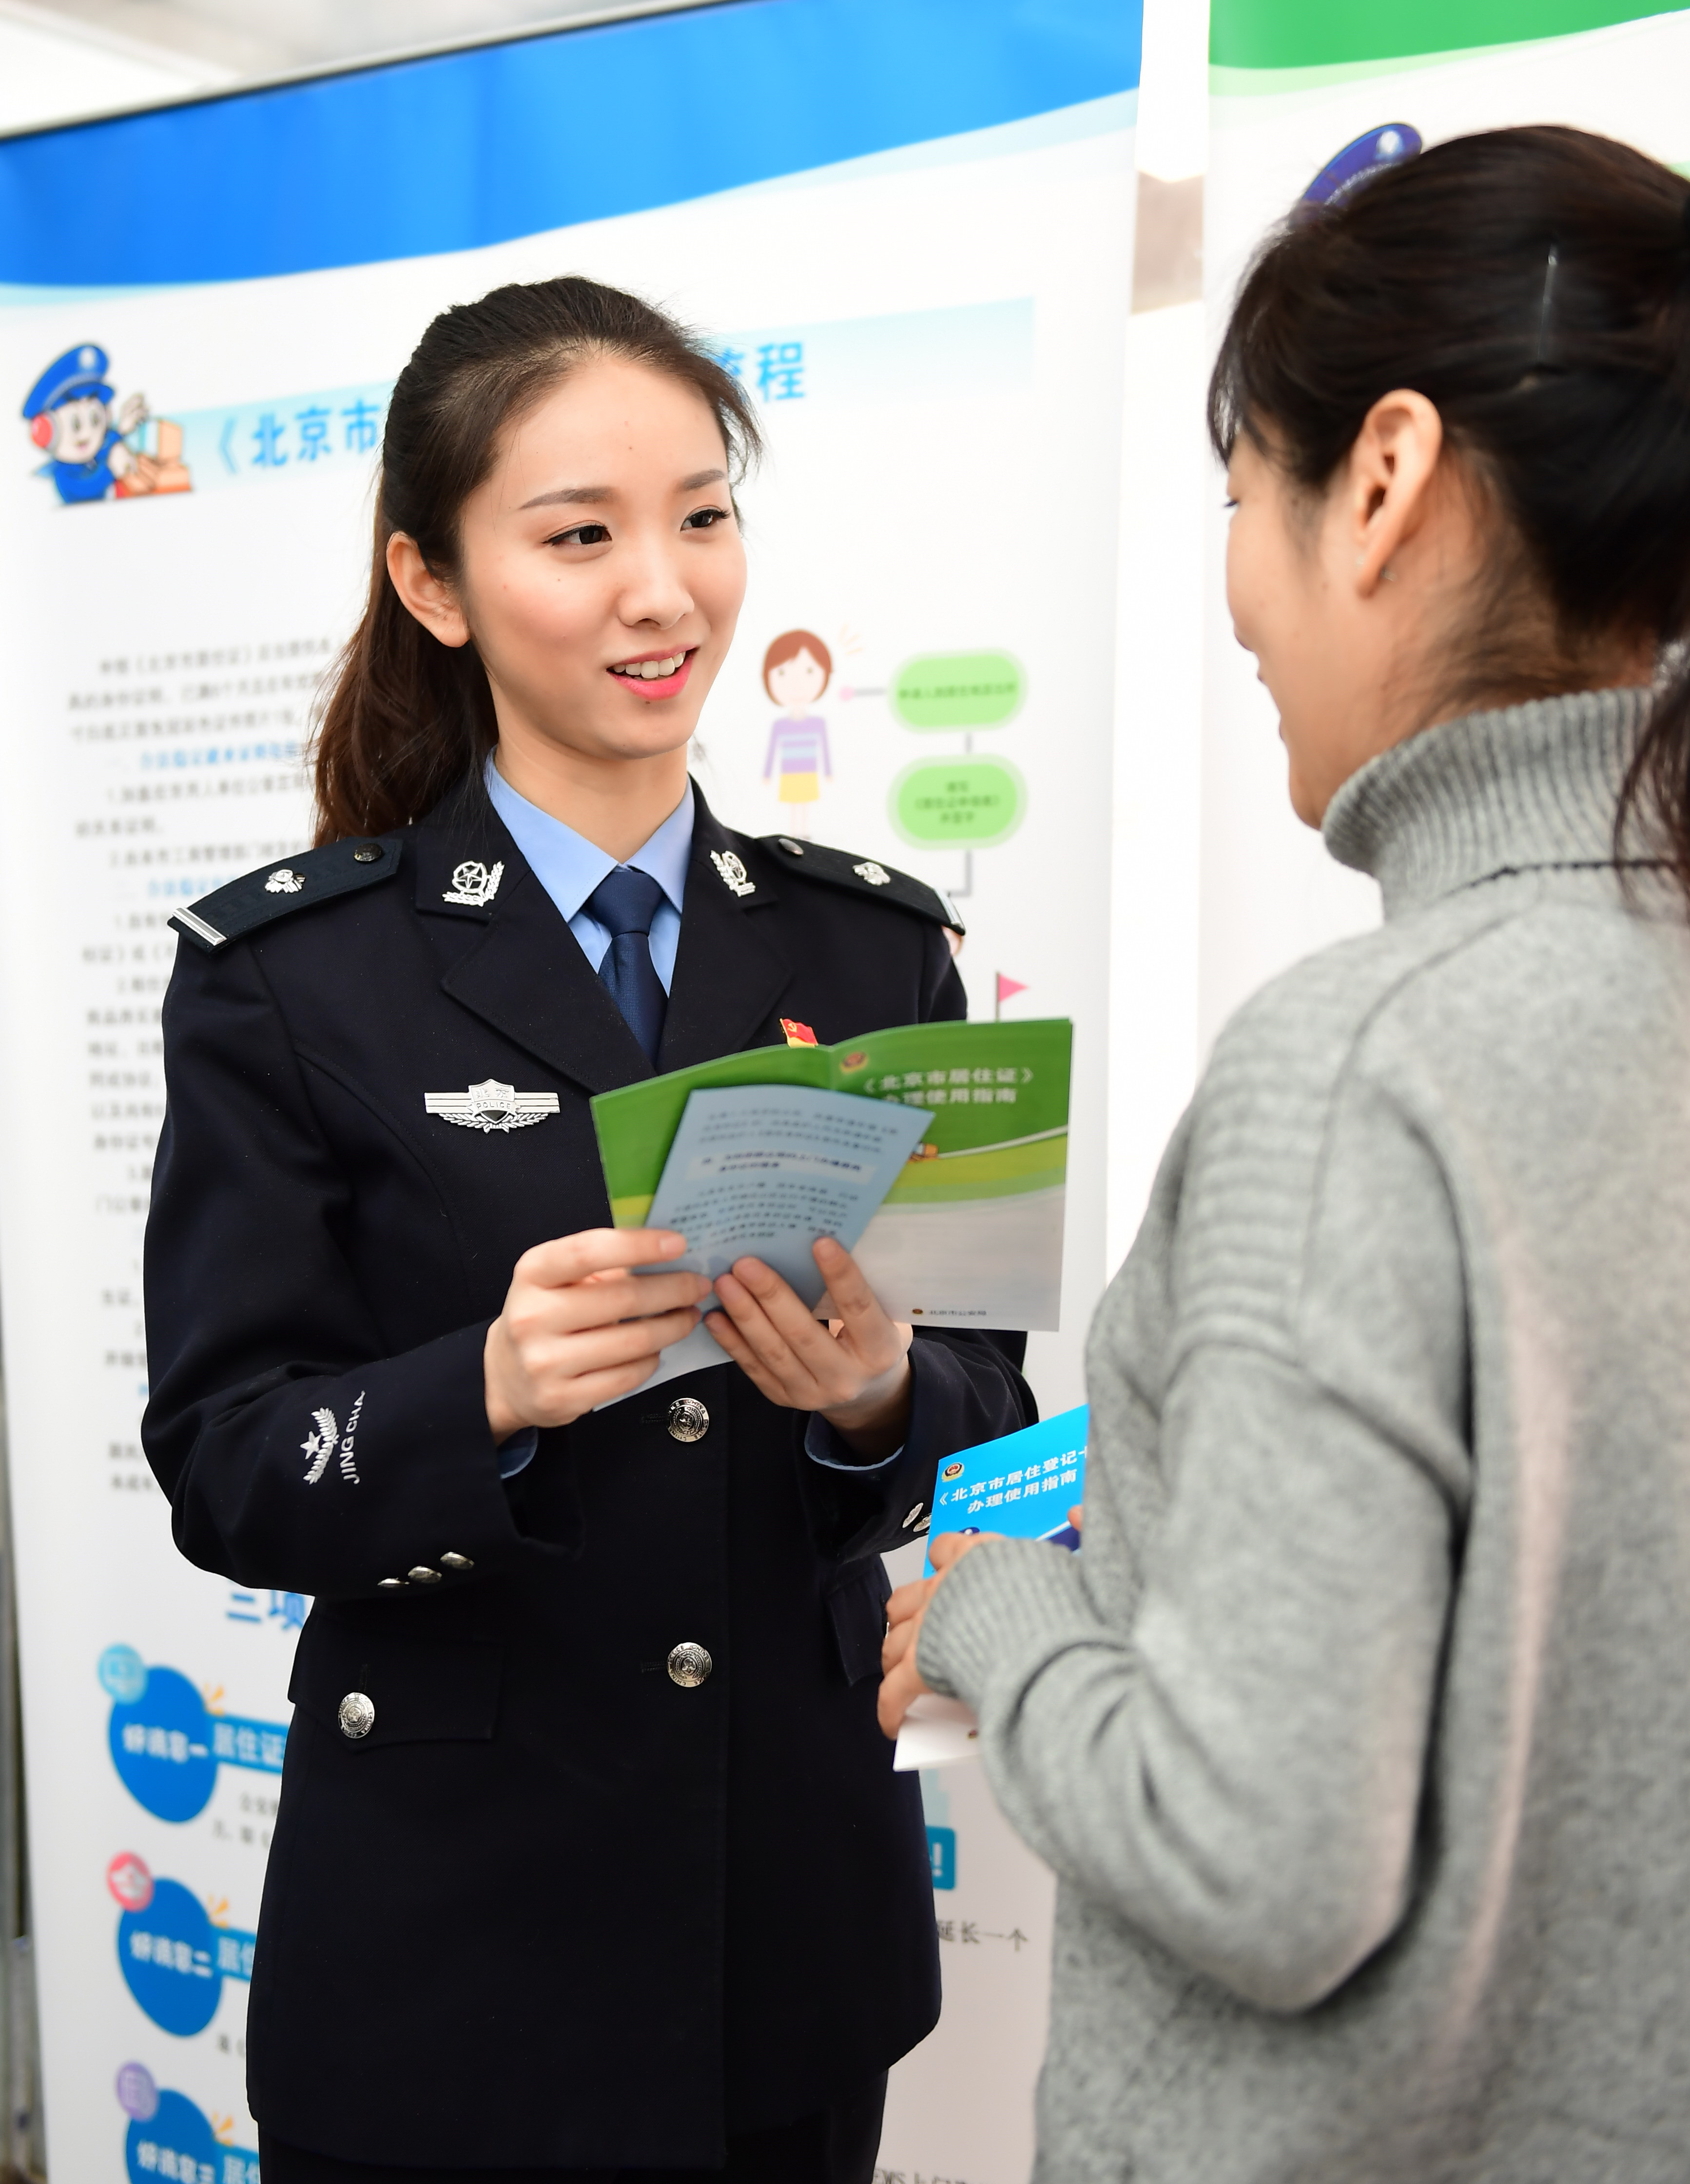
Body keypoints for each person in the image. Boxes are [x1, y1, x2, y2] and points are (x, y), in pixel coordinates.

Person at [141, 274, 1034, 2184]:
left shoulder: (867, 948)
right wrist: (480, 1387)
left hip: (780, 1926)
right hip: (450, 1941)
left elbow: (985, 1397)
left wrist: (879, 1393)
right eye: (580, 534)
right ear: (433, 581)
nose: (664, 589)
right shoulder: (290, 978)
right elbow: (225, 1462)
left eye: (700, 514)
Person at [881, 124, 1690, 2181]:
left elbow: (1257, 1858)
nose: (1237, 586)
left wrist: (991, 1612)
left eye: (1242, 492)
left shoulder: (1357, 1070)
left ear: (1386, 479)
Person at [760, 628, 834, 838]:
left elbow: (824, 749)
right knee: (794, 803)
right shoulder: (780, 726)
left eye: (810, 671)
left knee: (804, 802)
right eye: (782, 673)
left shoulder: (818, 724)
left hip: (809, 770)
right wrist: (767, 774)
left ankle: (804, 833)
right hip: (790, 769)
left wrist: (827, 771)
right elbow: (773, 750)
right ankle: (795, 832)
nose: (796, 683)